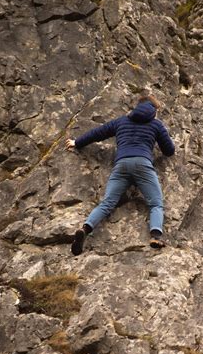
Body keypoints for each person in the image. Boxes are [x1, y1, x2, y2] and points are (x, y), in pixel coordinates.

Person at [65, 94, 175, 256]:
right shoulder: (156, 124)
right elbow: (169, 151)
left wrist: (77, 142)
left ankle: (85, 228)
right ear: (154, 110)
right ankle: (155, 236)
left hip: (121, 165)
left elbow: (98, 133)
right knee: (155, 203)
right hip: (143, 164)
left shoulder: (122, 121)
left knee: (107, 203)